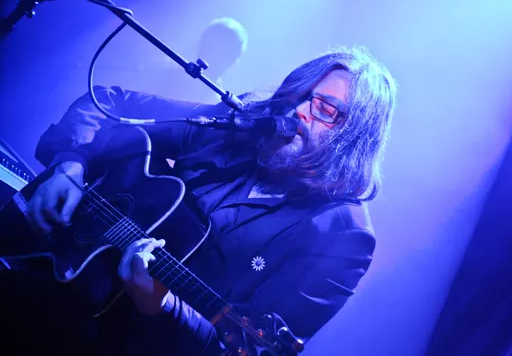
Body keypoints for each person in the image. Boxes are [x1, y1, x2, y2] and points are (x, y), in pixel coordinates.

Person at [0, 45, 396, 355]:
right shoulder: (238, 131)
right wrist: (71, 164)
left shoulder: (342, 236)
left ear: (354, 136)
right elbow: (111, 102)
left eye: (324, 108)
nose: (297, 111)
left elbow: (244, 347)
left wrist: (162, 305)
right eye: (297, 95)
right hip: (63, 278)